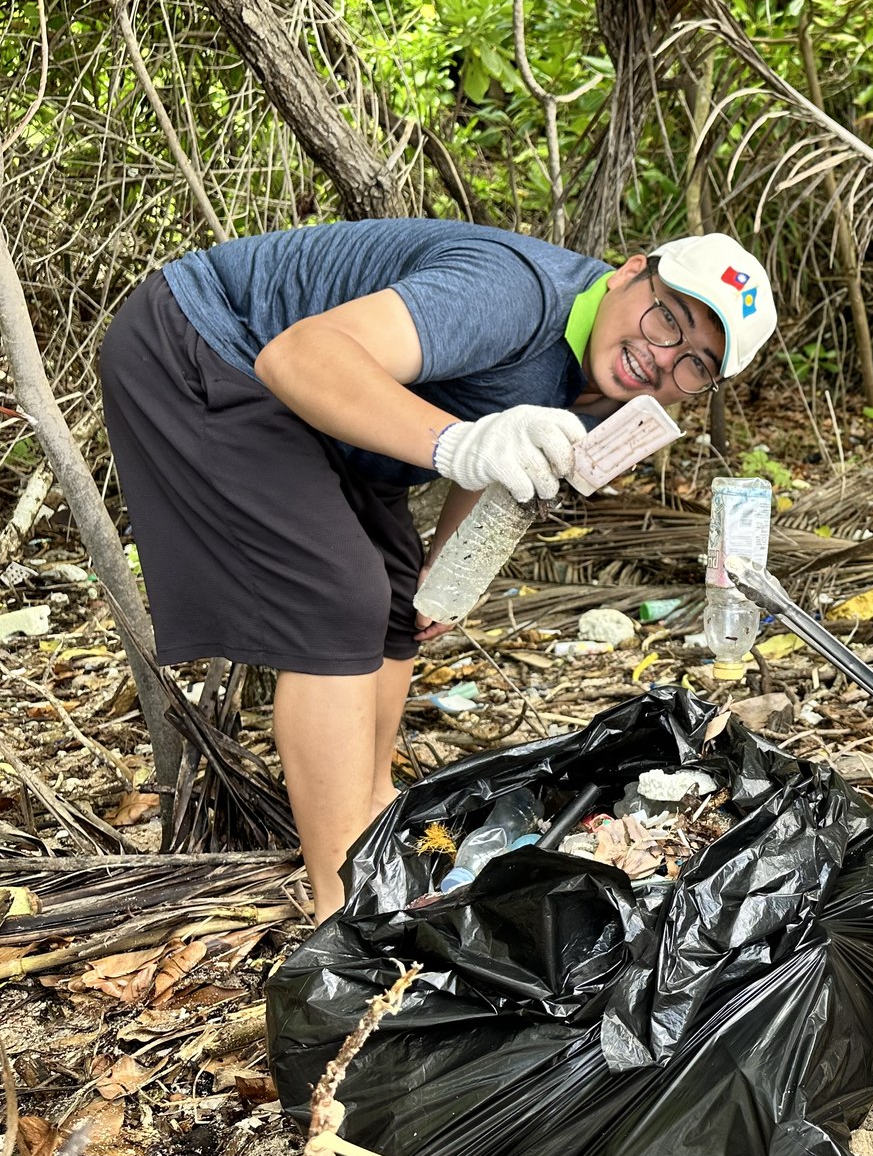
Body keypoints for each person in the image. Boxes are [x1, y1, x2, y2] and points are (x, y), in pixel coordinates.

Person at [99, 221, 776, 918]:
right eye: (668, 316)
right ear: (630, 272)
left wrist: (449, 576)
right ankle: (342, 911)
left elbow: (500, 446)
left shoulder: (610, 381)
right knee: (338, 598)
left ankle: (369, 812)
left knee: (398, 596)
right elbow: (301, 355)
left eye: (697, 362)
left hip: (310, 408)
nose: (663, 358)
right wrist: (457, 444)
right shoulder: (511, 293)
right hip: (206, 346)